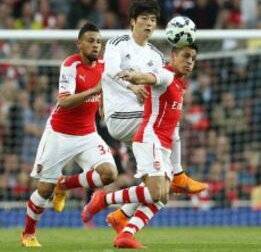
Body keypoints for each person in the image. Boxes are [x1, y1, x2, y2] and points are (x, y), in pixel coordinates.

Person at [99, 0, 207, 236]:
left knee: (161, 189)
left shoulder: (157, 56)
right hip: (119, 116)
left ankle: (123, 216)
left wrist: (146, 89)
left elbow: (157, 88)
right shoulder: (118, 43)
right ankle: (178, 174)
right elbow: (110, 71)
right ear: (132, 21)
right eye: (145, 18)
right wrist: (131, 86)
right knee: (168, 121)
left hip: (140, 119)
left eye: (154, 20)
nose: (149, 24)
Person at [82, 43, 199, 249]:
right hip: (149, 137)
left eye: (193, 58)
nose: (189, 62)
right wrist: (136, 77)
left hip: (163, 144)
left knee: (163, 192)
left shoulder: (180, 84)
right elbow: (153, 77)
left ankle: (125, 228)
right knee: (157, 192)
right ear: (173, 56)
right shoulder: (166, 74)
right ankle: (104, 199)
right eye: (186, 56)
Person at [20, 22, 118, 247]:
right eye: (91, 41)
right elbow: (63, 102)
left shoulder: (104, 66)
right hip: (59, 134)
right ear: (80, 44)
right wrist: (94, 92)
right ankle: (28, 233)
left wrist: (102, 101)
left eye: (98, 42)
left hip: (87, 134)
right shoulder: (70, 65)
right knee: (44, 190)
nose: (96, 46)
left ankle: (64, 184)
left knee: (109, 173)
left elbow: (110, 88)